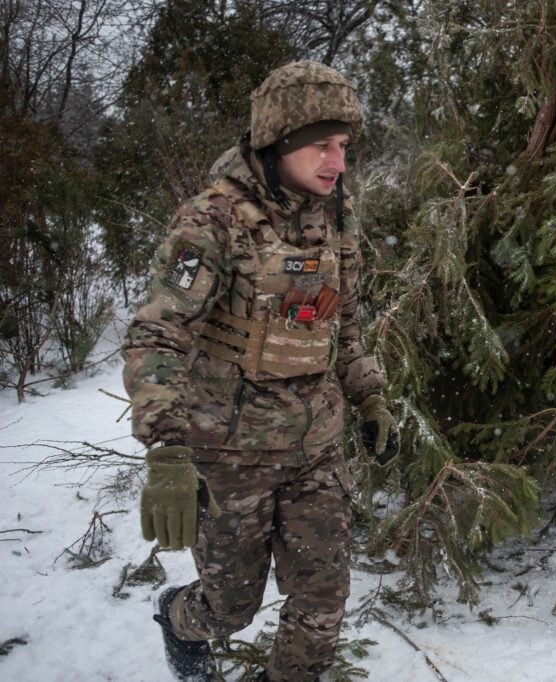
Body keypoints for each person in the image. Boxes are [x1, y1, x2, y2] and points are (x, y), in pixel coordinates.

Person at [122, 60, 400, 681]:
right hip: (230, 456)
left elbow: (342, 321)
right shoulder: (212, 222)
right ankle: (179, 617)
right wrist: (167, 450)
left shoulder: (337, 216)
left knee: (321, 607)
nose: (339, 162)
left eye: (345, 145)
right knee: (230, 608)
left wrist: (370, 396)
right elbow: (156, 333)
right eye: (323, 146)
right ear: (279, 142)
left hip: (316, 450)